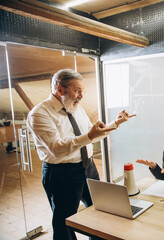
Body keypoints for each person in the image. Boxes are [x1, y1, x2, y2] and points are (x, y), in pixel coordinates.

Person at [27, 69, 135, 240]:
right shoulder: (40, 113)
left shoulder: (77, 108)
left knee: (99, 210)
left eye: (82, 91)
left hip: (88, 167)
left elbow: (90, 135)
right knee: (65, 222)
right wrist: (90, 135)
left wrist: (116, 123)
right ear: (60, 89)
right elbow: (56, 148)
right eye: (77, 90)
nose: (81, 96)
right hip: (61, 173)